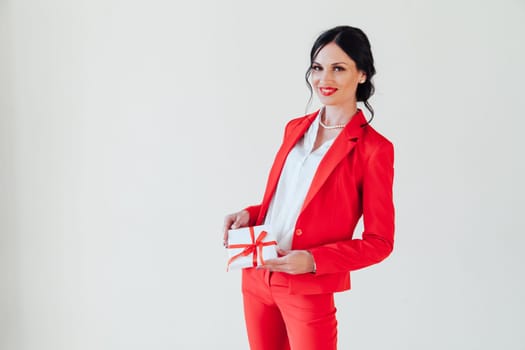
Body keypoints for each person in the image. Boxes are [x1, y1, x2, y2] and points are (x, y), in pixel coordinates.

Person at [223, 25, 395, 350]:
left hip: (306, 288)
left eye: (338, 68)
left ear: (362, 75)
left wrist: (314, 261)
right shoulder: (295, 128)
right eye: (317, 67)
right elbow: (290, 202)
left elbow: (380, 241)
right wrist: (249, 215)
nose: (323, 78)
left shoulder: (374, 150)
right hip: (257, 273)